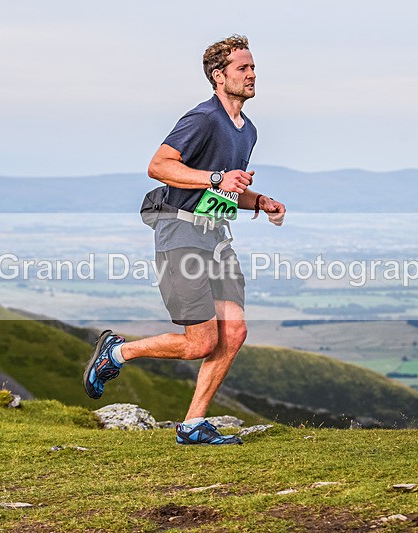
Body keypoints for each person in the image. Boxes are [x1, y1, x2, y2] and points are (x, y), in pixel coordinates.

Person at [83, 35, 285, 445]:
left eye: (253, 68)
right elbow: (159, 166)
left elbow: (226, 186)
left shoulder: (247, 130)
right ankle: (117, 353)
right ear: (218, 75)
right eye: (243, 68)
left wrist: (260, 200)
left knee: (235, 331)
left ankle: (193, 425)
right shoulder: (203, 118)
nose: (252, 75)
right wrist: (215, 178)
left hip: (216, 235)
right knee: (201, 342)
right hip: (181, 232)